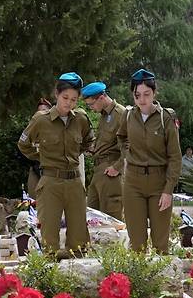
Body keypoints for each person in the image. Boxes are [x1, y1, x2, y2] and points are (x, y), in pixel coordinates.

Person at [18, 72, 94, 255]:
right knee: (49, 238)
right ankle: (49, 277)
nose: (69, 103)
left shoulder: (81, 119)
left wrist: (74, 154)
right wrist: (42, 157)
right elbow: (23, 144)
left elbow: (87, 141)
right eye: (65, 97)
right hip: (51, 182)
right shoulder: (41, 120)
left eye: (74, 99)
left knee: (78, 240)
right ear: (56, 94)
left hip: (75, 182)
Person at [117, 69, 181, 253]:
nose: (142, 100)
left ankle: (163, 281)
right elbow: (121, 137)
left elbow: (175, 157)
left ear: (154, 93)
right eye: (137, 95)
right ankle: (139, 281)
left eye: (147, 94)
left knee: (161, 241)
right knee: (137, 242)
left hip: (158, 181)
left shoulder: (166, 118)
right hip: (133, 182)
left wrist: (168, 190)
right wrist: (127, 152)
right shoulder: (128, 115)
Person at [81, 81, 125, 220]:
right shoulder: (104, 116)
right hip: (98, 171)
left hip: (111, 172)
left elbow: (132, 146)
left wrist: (117, 167)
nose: (91, 108)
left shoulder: (121, 114)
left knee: (111, 219)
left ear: (101, 97)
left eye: (91, 104)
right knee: (93, 218)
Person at [25, 98, 51, 199]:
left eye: (44, 110)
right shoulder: (33, 127)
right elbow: (24, 145)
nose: (41, 113)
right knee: (33, 196)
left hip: (50, 168)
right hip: (36, 165)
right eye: (39, 111)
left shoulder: (55, 127)